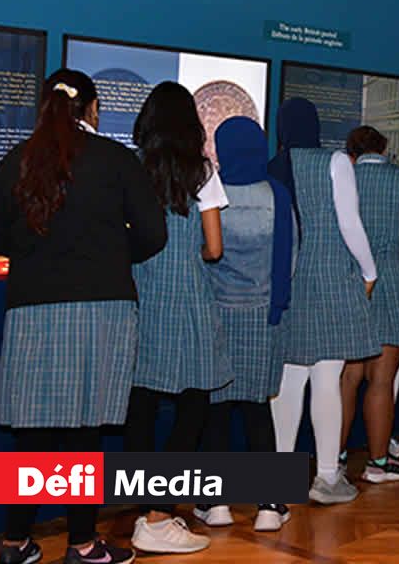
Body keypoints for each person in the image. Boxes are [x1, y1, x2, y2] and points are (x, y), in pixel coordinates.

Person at [0, 69, 162, 564]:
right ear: (93, 108)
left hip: (33, 306)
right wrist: (108, 251)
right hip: (103, 307)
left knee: (33, 434)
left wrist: (37, 249)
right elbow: (153, 233)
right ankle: (83, 544)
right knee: (86, 432)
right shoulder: (117, 160)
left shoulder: (18, 159)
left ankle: (14, 543)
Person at [124, 81, 231, 555]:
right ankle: (160, 514)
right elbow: (215, 248)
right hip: (188, 296)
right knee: (194, 400)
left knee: (140, 402)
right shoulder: (202, 172)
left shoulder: (133, 168)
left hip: (139, 293)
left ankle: (145, 509)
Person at [268, 98, 378, 506]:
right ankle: (327, 477)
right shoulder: (332, 162)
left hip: (288, 281)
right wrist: (370, 272)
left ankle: (280, 475)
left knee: (289, 381)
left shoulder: (274, 166)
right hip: (331, 277)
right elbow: (350, 223)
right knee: (327, 379)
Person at [193, 116, 295, 533]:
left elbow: (202, 254)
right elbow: (289, 259)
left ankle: (216, 505)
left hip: (217, 313)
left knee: (215, 413)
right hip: (262, 314)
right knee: (257, 410)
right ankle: (269, 505)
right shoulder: (277, 193)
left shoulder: (209, 191)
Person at [347, 125, 399, 483]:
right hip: (394, 279)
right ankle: (379, 462)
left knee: (347, 376)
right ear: (384, 149)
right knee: (382, 378)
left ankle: (335, 456)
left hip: (350, 277)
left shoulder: (344, 178)